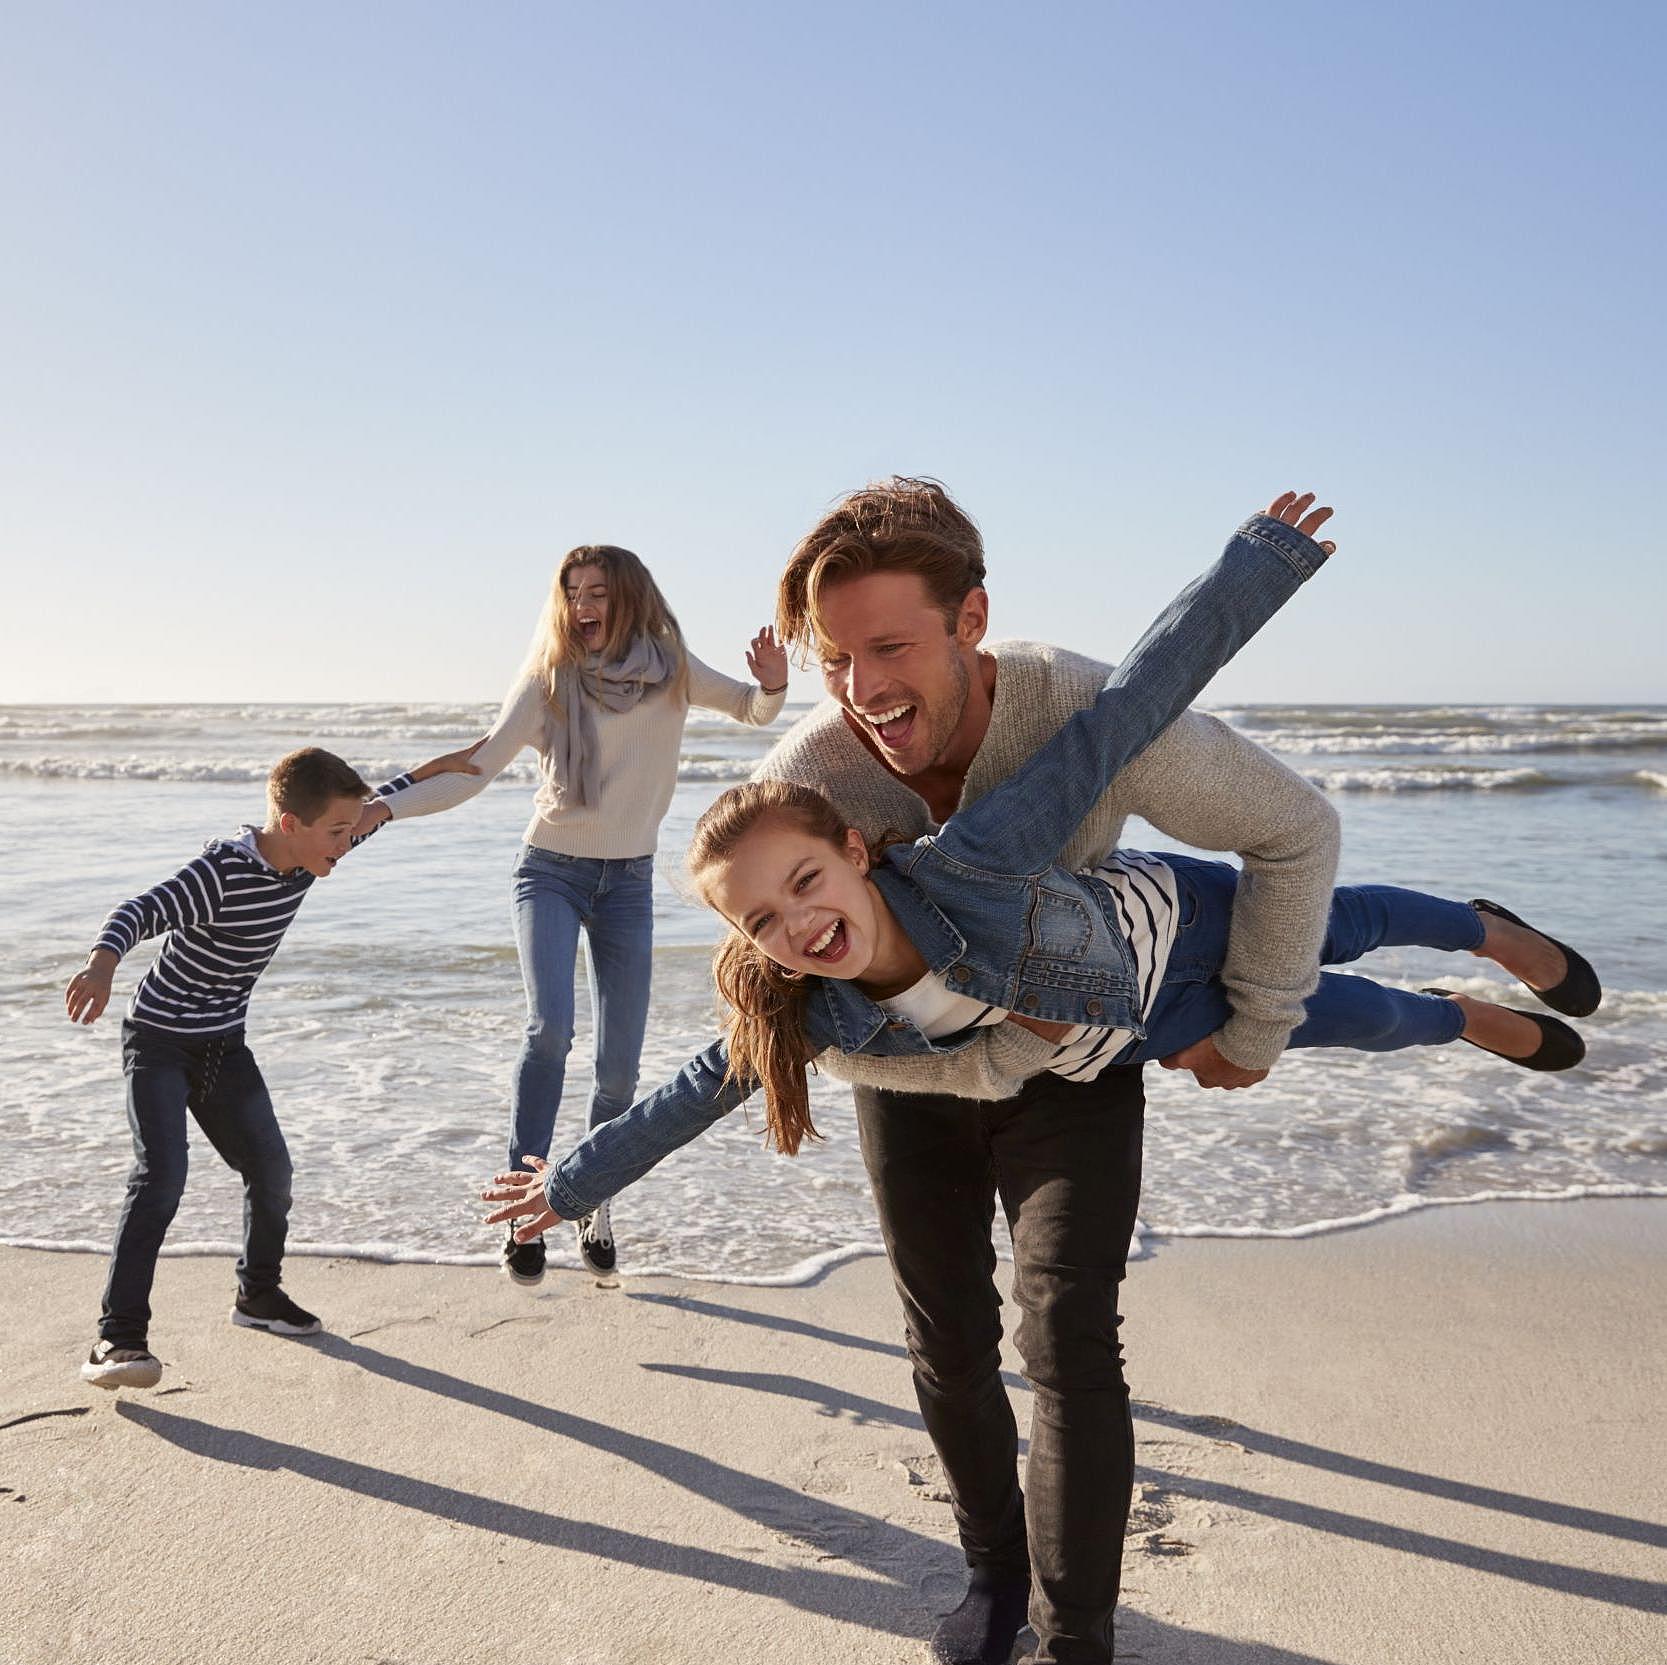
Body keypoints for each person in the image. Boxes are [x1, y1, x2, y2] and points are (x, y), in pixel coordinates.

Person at [364, 543, 788, 1283]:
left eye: (596, 591)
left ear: (626, 597)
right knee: (549, 1028)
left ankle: (591, 1198)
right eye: (572, 591)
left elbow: (752, 711)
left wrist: (774, 685)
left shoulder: (672, 669)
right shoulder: (549, 680)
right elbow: (479, 767)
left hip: (627, 883)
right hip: (550, 872)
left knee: (619, 1070)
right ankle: (523, 1209)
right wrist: (384, 809)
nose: (582, 605)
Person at [67, 744, 476, 1392]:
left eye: (348, 831)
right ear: (292, 824)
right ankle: (117, 1339)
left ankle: (257, 1297)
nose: (347, 842)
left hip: (223, 1047)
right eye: (338, 832)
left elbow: (381, 805)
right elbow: (137, 911)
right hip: (159, 1042)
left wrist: (442, 766)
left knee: (271, 1170)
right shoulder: (221, 872)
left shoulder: (313, 849)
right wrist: (101, 966)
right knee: (162, 1175)